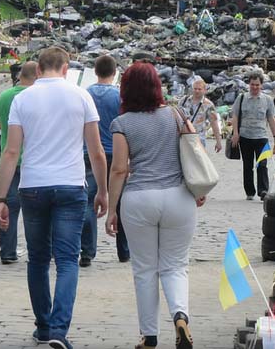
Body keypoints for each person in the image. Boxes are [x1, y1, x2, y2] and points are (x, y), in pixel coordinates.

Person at [0, 47, 108, 349]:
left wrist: (1, 198)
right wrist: (104, 191)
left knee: (38, 259)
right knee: (68, 260)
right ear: (65, 67)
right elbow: (96, 151)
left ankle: (43, 326)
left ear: (39, 67)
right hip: (71, 186)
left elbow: (11, 151)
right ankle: (59, 331)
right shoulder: (81, 96)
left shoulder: (22, 99)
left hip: (32, 186)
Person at [105, 62, 205, 349]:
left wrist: (112, 209)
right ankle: (181, 317)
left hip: (139, 200)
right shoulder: (176, 113)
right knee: (175, 266)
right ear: (157, 86)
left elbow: (119, 170)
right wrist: (197, 187)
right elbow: (193, 149)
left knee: (145, 269)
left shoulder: (122, 124)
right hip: (178, 197)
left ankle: (149, 337)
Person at [80, 55, 129, 267]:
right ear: (114, 72)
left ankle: (87, 252)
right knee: (122, 203)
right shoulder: (119, 97)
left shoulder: (84, 94)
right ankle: (124, 250)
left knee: (88, 202)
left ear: (95, 71)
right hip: (115, 152)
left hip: (89, 152)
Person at [0, 61, 38, 264]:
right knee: (36, 211)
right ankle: (38, 251)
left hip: (9, 161)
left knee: (8, 208)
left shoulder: (4, 96)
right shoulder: (37, 98)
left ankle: (7, 252)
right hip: (33, 161)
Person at [231, 72, 275, 201]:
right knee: (247, 165)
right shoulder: (241, 98)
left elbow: (271, 118)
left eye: (257, 85)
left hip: (261, 137)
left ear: (261, 85)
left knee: (262, 164)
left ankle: (263, 190)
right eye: (252, 84)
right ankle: (250, 191)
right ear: (249, 84)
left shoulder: (267, 100)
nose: (255, 87)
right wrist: (235, 133)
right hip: (245, 136)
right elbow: (235, 116)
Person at [178, 77, 222, 152]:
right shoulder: (183, 101)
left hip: (198, 139)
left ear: (204, 90)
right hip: (183, 137)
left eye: (199, 89)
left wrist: (218, 141)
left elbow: (214, 123)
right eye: (195, 89)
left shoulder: (209, 105)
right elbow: (176, 118)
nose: (197, 91)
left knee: (197, 162)